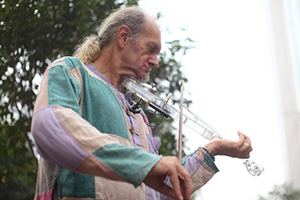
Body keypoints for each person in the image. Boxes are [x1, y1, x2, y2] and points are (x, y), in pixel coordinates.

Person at [32, 6, 252, 200]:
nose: (156, 61)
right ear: (124, 37)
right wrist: (144, 164)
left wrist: (214, 149)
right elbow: (51, 126)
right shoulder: (71, 71)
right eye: (151, 49)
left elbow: (159, 189)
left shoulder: (138, 116)